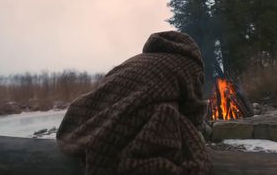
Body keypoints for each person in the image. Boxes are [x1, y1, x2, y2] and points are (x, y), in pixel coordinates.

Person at [56, 31, 211, 175]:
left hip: (84, 114)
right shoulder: (190, 65)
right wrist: (200, 131)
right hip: (129, 115)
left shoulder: (138, 58)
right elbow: (193, 108)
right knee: (172, 117)